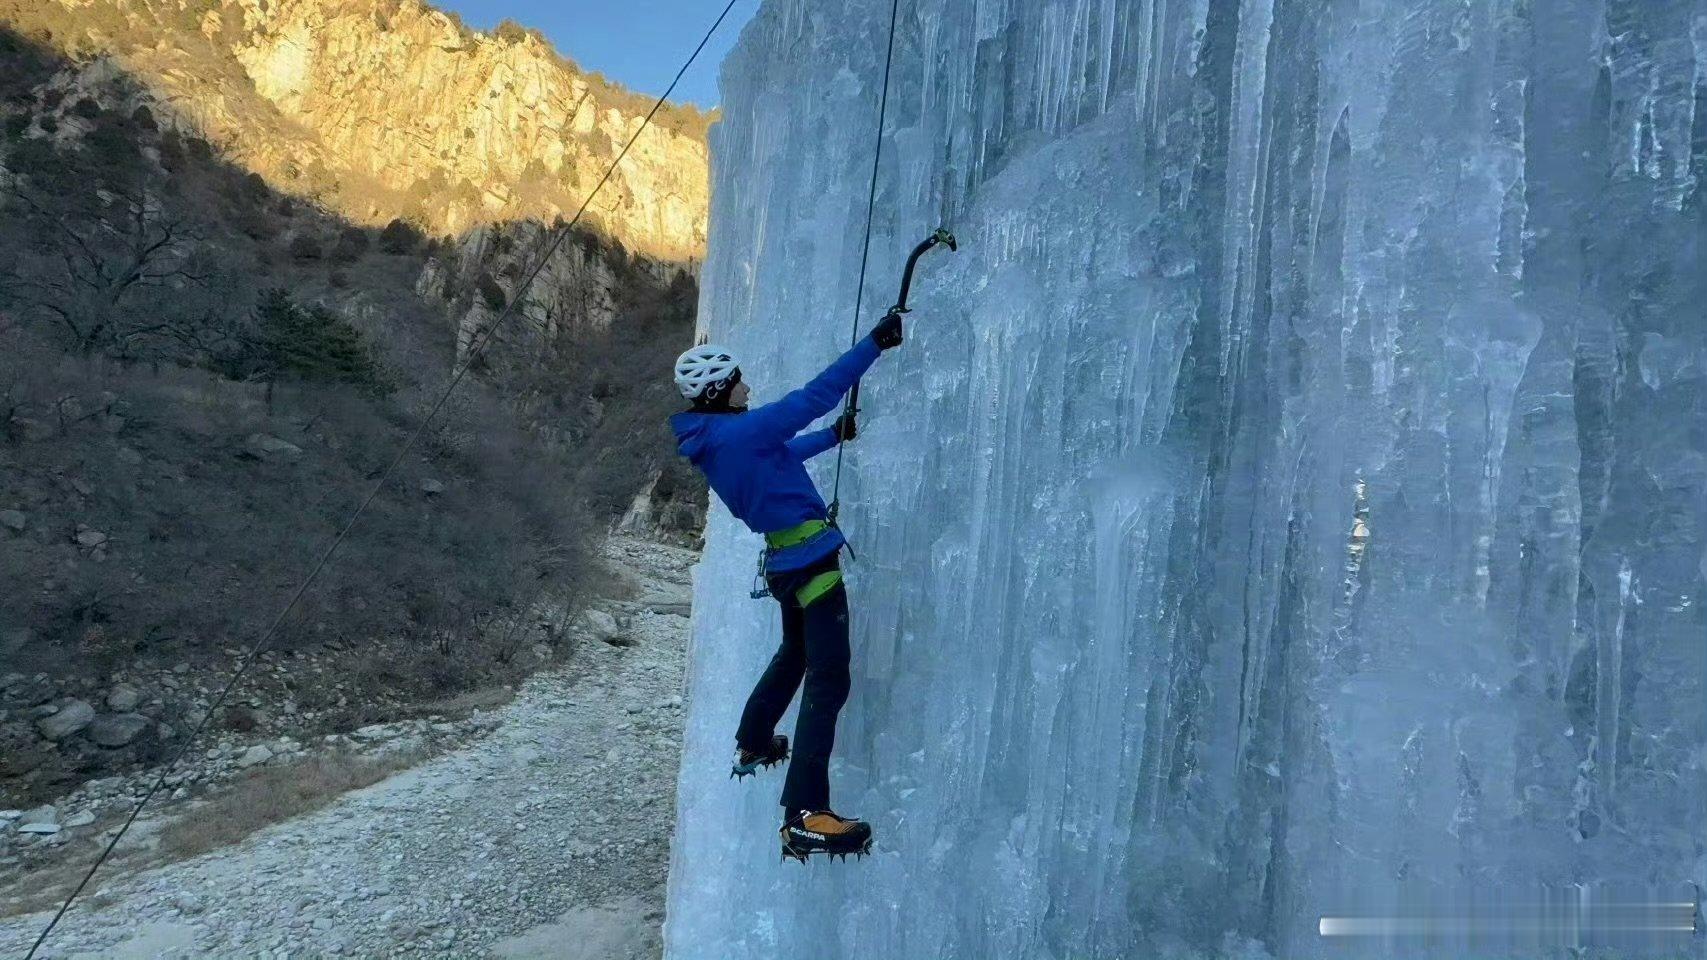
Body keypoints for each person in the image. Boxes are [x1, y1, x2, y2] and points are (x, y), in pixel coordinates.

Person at [669, 311, 905, 861]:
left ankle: (754, 739)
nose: (747, 387)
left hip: (785, 562)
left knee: (796, 652)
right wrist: (874, 343)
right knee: (829, 678)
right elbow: (812, 396)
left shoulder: (719, 440)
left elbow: (781, 456)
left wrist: (831, 437)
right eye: (739, 381)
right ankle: (803, 814)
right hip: (811, 561)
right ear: (720, 390)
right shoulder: (743, 429)